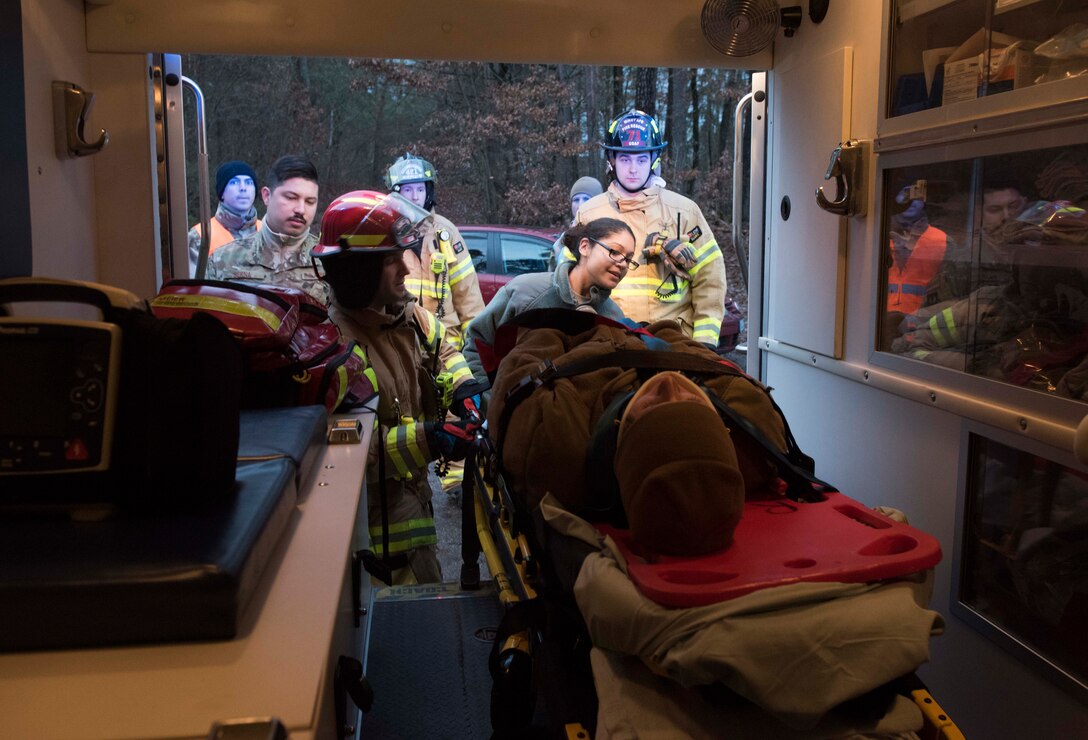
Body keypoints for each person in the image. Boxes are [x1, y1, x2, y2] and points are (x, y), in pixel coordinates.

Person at [313, 190, 481, 585]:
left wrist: (464, 386)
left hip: (415, 526)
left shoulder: (407, 315)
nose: (407, 268)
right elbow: (339, 444)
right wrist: (430, 439)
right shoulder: (333, 346)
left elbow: (444, 348)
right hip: (376, 554)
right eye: (392, 260)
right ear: (358, 272)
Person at [573, 109, 727, 347]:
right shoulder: (590, 214)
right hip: (607, 342)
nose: (633, 169)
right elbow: (569, 279)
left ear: (654, 159)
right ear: (611, 160)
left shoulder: (685, 212)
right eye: (625, 159)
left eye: (641, 159)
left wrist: (704, 343)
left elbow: (710, 280)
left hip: (673, 344)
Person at [464, 218, 634, 382]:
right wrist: (487, 398)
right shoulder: (525, 292)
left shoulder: (614, 318)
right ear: (585, 247)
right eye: (614, 251)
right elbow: (478, 343)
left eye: (628, 258)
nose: (623, 264)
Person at [385, 153, 484, 351]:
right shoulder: (385, 230)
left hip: (446, 344)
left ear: (428, 191)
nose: (415, 196)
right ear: (396, 192)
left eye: (420, 189)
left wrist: (478, 347)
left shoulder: (446, 232)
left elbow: (467, 295)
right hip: (400, 342)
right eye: (408, 189)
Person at [207, 155, 326, 305]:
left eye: (310, 202)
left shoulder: (328, 262)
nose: (301, 209)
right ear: (266, 196)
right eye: (291, 197)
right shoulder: (223, 260)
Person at [187, 160, 262, 275]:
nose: (243, 188)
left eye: (248, 182)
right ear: (222, 193)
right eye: (234, 182)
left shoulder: (269, 231)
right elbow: (192, 287)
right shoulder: (201, 235)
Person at [553, 176, 605, 264]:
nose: (580, 205)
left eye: (586, 199)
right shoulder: (561, 241)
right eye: (576, 200)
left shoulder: (607, 235)